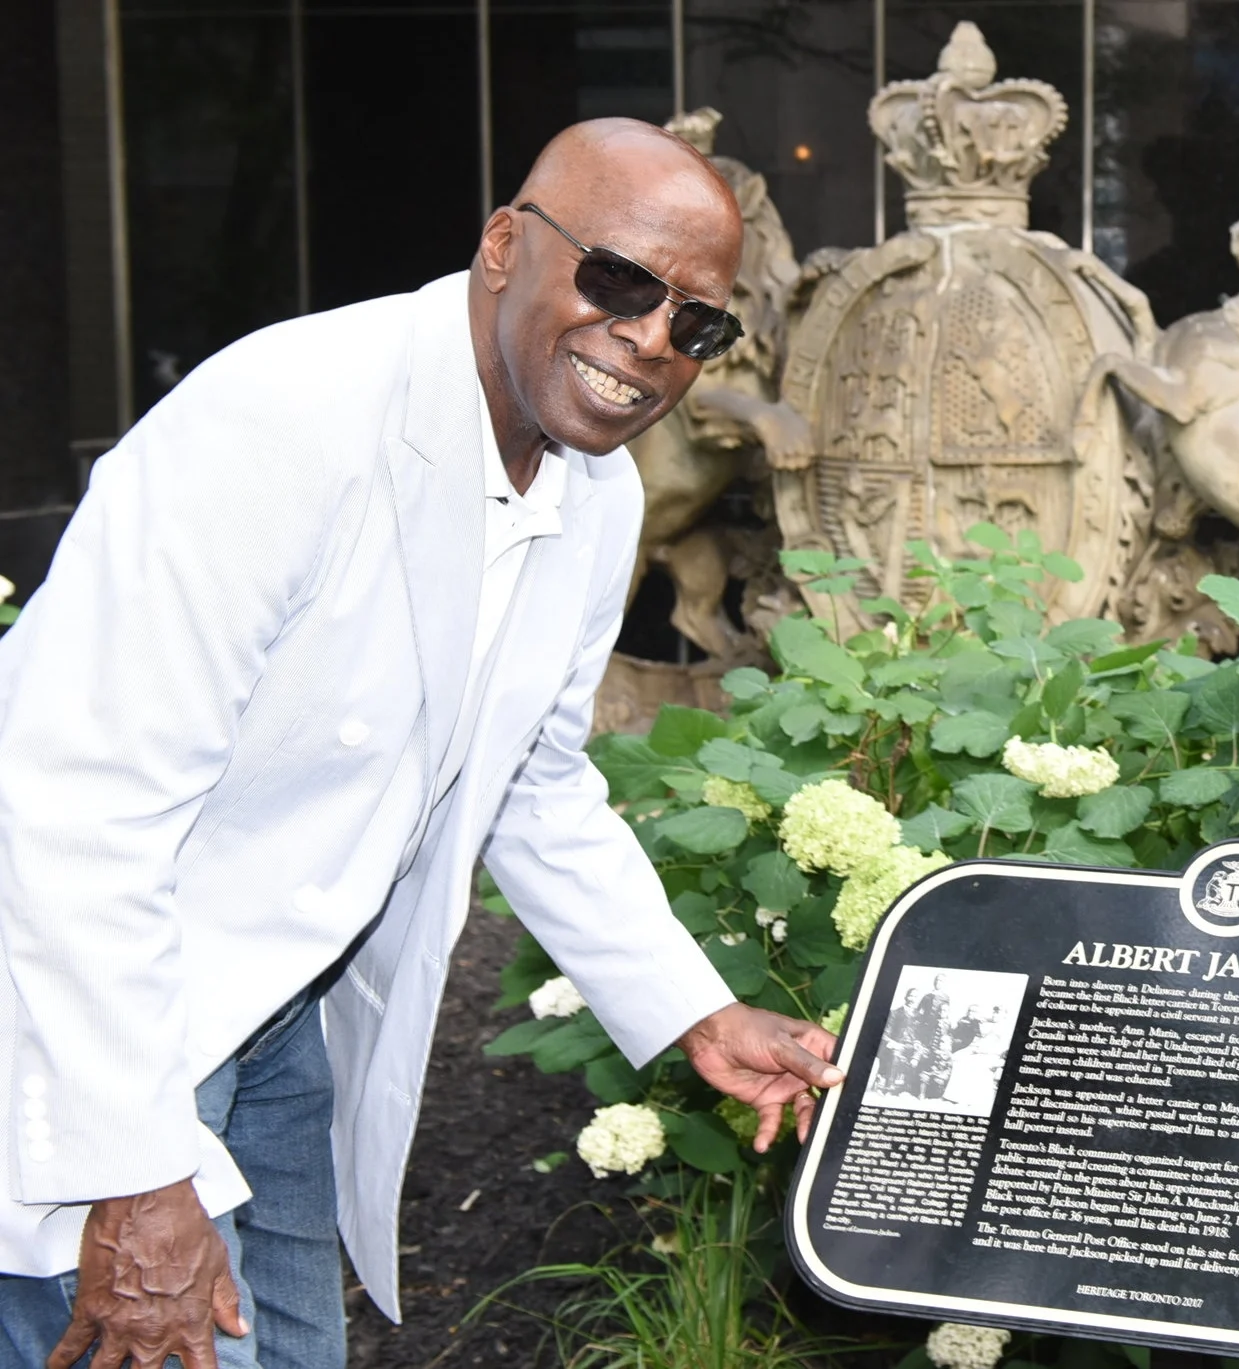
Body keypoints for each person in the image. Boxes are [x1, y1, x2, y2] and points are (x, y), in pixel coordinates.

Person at [0, 120, 845, 1369]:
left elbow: (534, 786)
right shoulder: (280, 419)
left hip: (270, 1018)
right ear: (505, 245)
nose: (652, 340)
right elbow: (71, 807)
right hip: (82, 1034)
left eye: (699, 323)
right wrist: (129, 1171)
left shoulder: (596, 491)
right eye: (619, 280)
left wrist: (695, 1013)